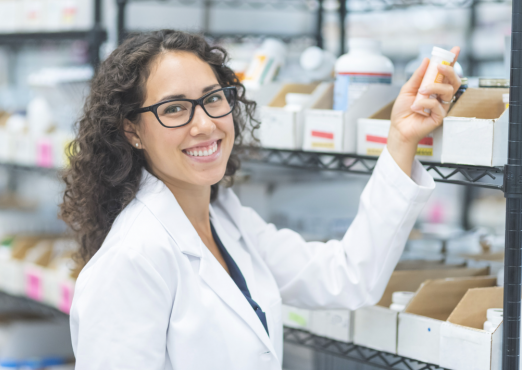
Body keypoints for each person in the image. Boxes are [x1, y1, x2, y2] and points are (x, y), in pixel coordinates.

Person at [61, 30, 461, 370]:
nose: (204, 124)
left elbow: (345, 278)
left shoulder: (225, 218)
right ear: (132, 131)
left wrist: (402, 138)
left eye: (213, 99)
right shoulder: (132, 259)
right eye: (175, 109)